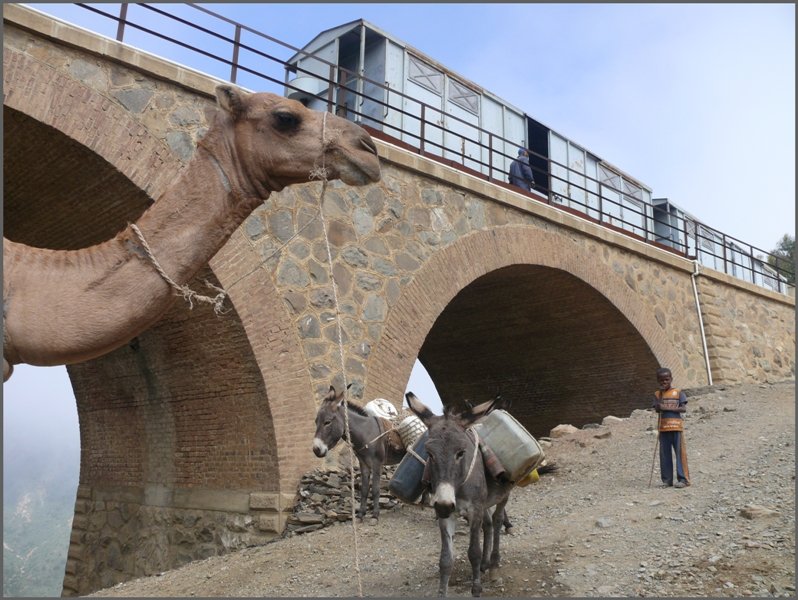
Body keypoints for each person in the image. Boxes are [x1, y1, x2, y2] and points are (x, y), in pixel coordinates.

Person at [652, 367, 690, 488]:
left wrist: (666, 408)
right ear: (658, 381)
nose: (664, 382)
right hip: (663, 429)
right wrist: (661, 396)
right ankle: (667, 480)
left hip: (676, 427)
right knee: (664, 455)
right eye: (661, 380)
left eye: (666, 379)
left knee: (680, 454)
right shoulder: (657, 394)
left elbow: (683, 409)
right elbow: (657, 409)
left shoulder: (678, 393)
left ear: (671, 379)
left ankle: (683, 480)